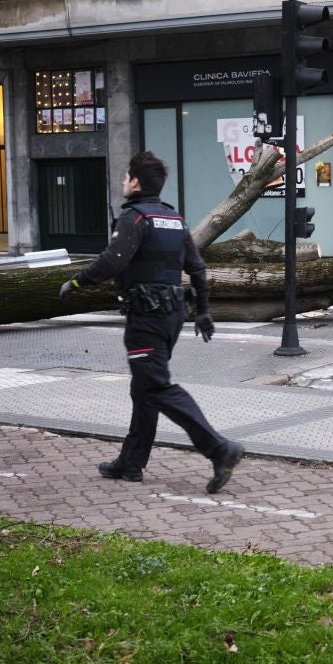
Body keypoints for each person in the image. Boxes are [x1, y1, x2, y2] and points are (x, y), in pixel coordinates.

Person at [57, 151, 244, 494]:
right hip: (172, 314)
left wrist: (79, 282)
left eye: (127, 177)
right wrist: (203, 311)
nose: (124, 183)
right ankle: (131, 462)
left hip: (146, 314)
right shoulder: (174, 219)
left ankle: (220, 449)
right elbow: (198, 268)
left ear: (135, 182)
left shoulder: (135, 218)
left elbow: (113, 260)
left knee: (156, 386)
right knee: (143, 388)